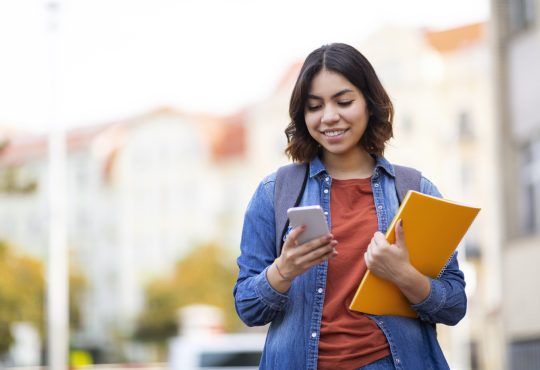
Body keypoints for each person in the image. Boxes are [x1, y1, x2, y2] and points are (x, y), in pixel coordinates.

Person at [233, 43, 466, 370]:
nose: (329, 117)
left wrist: (404, 275)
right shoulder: (274, 193)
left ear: (369, 105)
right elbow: (248, 308)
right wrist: (282, 271)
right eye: (314, 106)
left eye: (343, 102)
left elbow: (454, 306)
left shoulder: (415, 191)